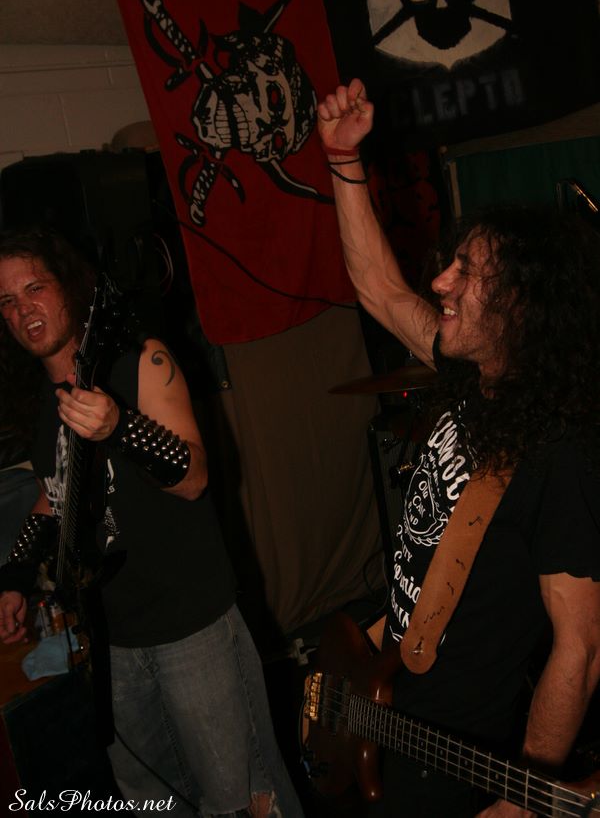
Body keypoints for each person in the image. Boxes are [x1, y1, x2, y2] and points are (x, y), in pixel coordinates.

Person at [316, 78, 600, 817]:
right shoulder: (471, 372)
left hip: (453, 750)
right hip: (389, 693)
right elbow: (380, 289)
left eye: (467, 273)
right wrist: (343, 161)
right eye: (451, 262)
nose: (440, 279)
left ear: (520, 307)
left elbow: (581, 647)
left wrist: (529, 792)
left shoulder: (560, 454)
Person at [0, 228, 303, 818]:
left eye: (35, 287)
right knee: (151, 802)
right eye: (7, 300)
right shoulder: (44, 401)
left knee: (243, 799)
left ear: (68, 286)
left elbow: (194, 476)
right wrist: (14, 576)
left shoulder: (143, 363)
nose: (22, 308)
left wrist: (121, 427)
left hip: (191, 630)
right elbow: (52, 494)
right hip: (111, 641)